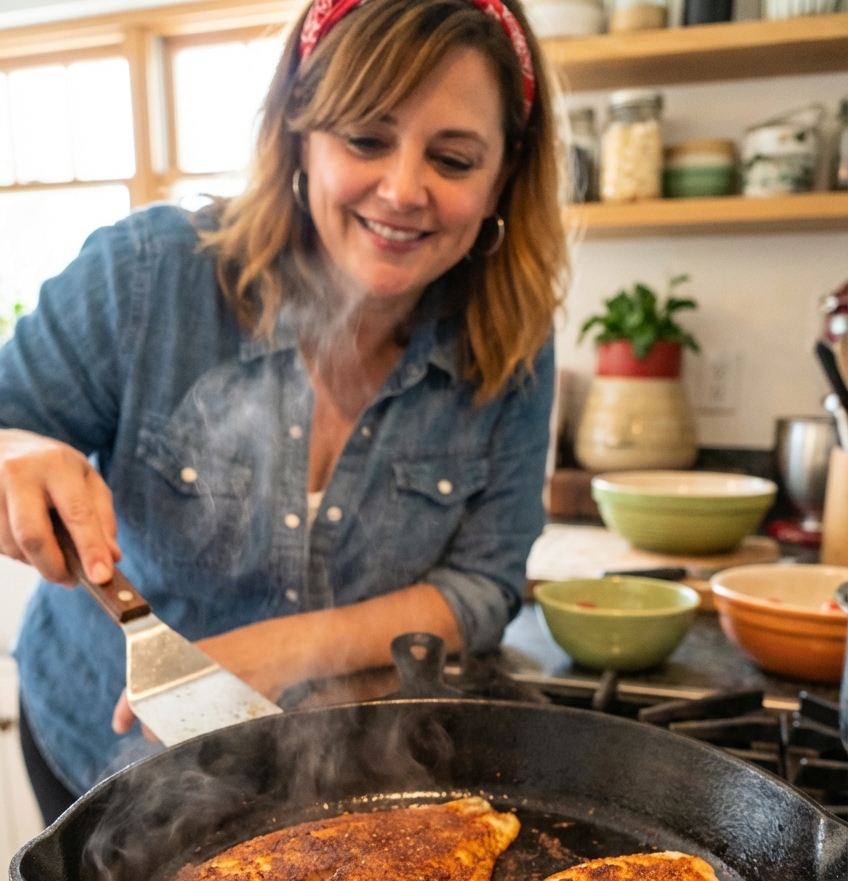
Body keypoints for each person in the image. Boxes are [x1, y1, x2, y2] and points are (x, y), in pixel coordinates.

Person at [0, 0, 566, 821]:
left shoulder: (510, 341)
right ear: (297, 133)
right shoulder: (148, 273)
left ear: (503, 176)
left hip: (342, 775)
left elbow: (483, 586)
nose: (404, 190)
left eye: (452, 157)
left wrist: (274, 655)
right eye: (366, 140)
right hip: (99, 741)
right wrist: (13, 452)